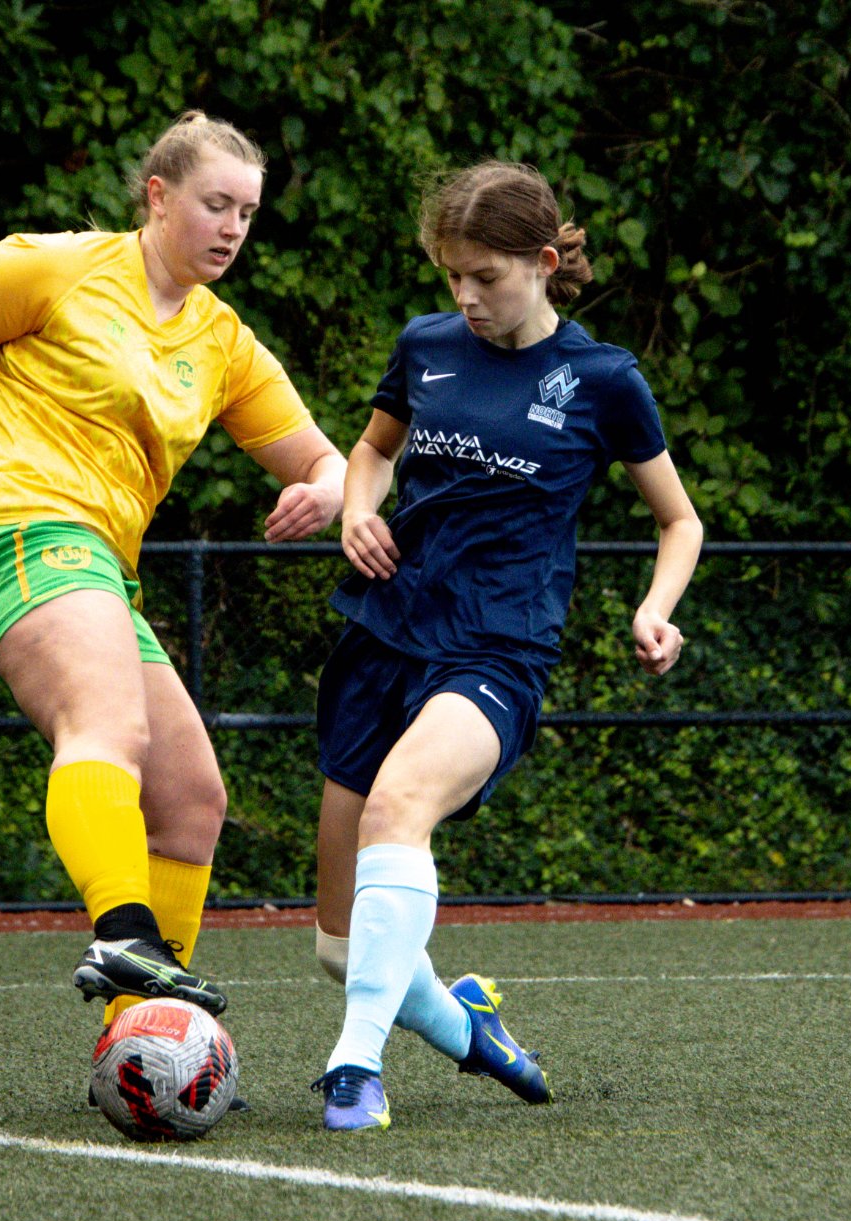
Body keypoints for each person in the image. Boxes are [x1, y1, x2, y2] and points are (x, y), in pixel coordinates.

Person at [0, 111, 344, 1030]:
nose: (232, 229)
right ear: (158, 197)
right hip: (14, 526)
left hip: (95, 572)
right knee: (107, 728)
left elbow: (328, 460)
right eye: (215, 205)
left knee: (191, 801)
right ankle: (124, 931)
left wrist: (328, 490)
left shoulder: (223, 343)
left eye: (247, 213)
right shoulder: (52, 266)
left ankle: (143, 1035)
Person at [309, 161, 703, 1131]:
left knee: (400, 809)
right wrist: (358, 507)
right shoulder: (426, 345)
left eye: (483, 275)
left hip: (496, 645)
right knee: (336, 943)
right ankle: (469, 1030)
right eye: (450, 275)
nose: (464, 296)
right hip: (381, 629)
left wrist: (654, 608)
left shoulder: (602, 380)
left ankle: (353, 1067)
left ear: (537, 262)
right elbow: (369, 449)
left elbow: (679, 521)